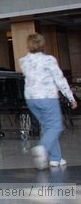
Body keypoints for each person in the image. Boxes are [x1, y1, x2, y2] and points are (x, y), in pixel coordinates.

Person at [19, 33, 77, 169]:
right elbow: (60, 79)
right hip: (47, 97)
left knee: (47, 127)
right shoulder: (49, 60)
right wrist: (70, 97)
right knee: (56, 126)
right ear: (43, 44)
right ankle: (42, 148)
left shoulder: (23, 61)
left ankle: (55, 158)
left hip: (31, 99)